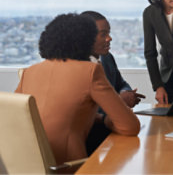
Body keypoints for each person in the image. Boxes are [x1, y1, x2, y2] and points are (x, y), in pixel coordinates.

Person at [15, 13, 140, 165]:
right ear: (85, 40)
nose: (109, 38)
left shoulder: (30, 72)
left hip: (25, 162)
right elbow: (130, 127)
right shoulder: (90, 71)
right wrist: (107, 120)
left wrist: (99, 118)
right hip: (69, 166)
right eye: (101, 34)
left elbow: (20, 116)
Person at [80, 10, 145, 154]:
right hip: (92, 137)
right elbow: (81, 110)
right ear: (86, 37)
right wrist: (119, 101)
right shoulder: (77, 67)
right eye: (103, 34)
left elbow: (121, 83)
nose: (109, 38)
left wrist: (125, 93)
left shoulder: (107, 58)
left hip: (114, 128)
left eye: (109, 33)